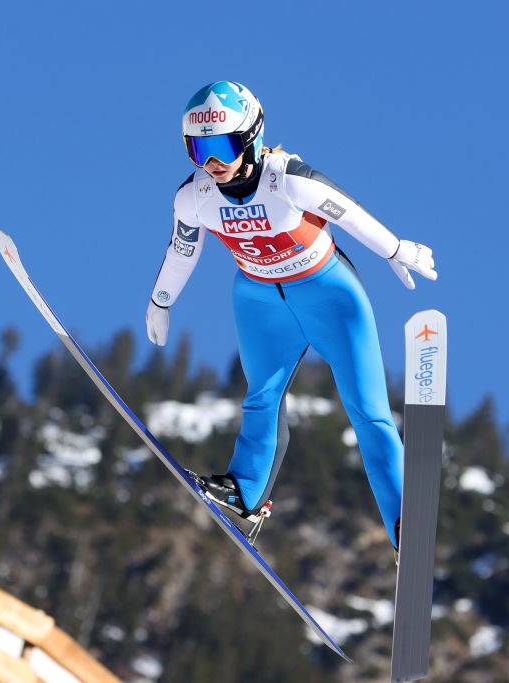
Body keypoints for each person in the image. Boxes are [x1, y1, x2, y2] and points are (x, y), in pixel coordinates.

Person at [145, 81, 436, 549]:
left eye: (220, 147)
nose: (212, 163)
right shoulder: (194, 196)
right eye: (198, 150)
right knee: (261, 397)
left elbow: (349, 214)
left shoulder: (288, 179)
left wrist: (396, 249)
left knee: (368, 411)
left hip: (327, 291)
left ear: (251, 136)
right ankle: (246, 493)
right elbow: (182, 252)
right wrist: (161, 300)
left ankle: (405, 520)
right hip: (259, 297)